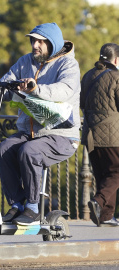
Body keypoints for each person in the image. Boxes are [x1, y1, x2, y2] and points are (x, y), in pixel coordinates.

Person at [0, 22, 81, 225]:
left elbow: (64, 91)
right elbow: (5, 88)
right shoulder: (25, 62)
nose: (35, 45)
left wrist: (35, 89)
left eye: (41, 41)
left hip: (61, 135)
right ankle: (17, 204)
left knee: (29, 151)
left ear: (53, 43)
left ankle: (33, 208)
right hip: (30, 132)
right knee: (4, 148)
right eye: (33, 41)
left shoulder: (68, 65)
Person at [80, 43, 119, 227]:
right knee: (116, 172)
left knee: (104, 175)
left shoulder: (88, 75)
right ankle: (98, 201)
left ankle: (105, 216)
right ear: (117, 60)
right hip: (112, 135)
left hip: (89, 133)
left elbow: (81, 103)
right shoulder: (116, 77)